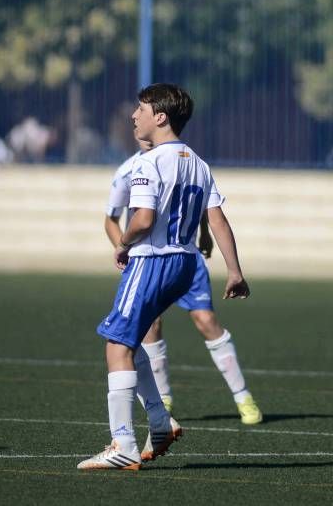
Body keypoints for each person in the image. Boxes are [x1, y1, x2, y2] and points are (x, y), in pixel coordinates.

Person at [78, 83, 251, 470]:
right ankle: (158, 422)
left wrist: (123, 243)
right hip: (187, 264)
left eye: (140, 109)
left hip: (153, 262)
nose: (133, 116)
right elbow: (218, 219)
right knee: (132, 340)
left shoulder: (148, 162)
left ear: (161, 117)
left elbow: (143, 219)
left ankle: (121, 444)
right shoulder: (198, 162)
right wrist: (235, 270)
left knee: (115, 345)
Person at [104, 139, 262, 425]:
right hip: (151, 258)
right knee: (151, 325)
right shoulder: (129, 170)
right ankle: (163, 400)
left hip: (178, 256)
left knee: (205, 321)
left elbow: (191, 206)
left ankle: (242, 396)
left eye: (144, 111)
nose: (137, 119)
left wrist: (202, 233)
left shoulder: (186, 162)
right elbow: (111, 219)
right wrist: (122, 246)